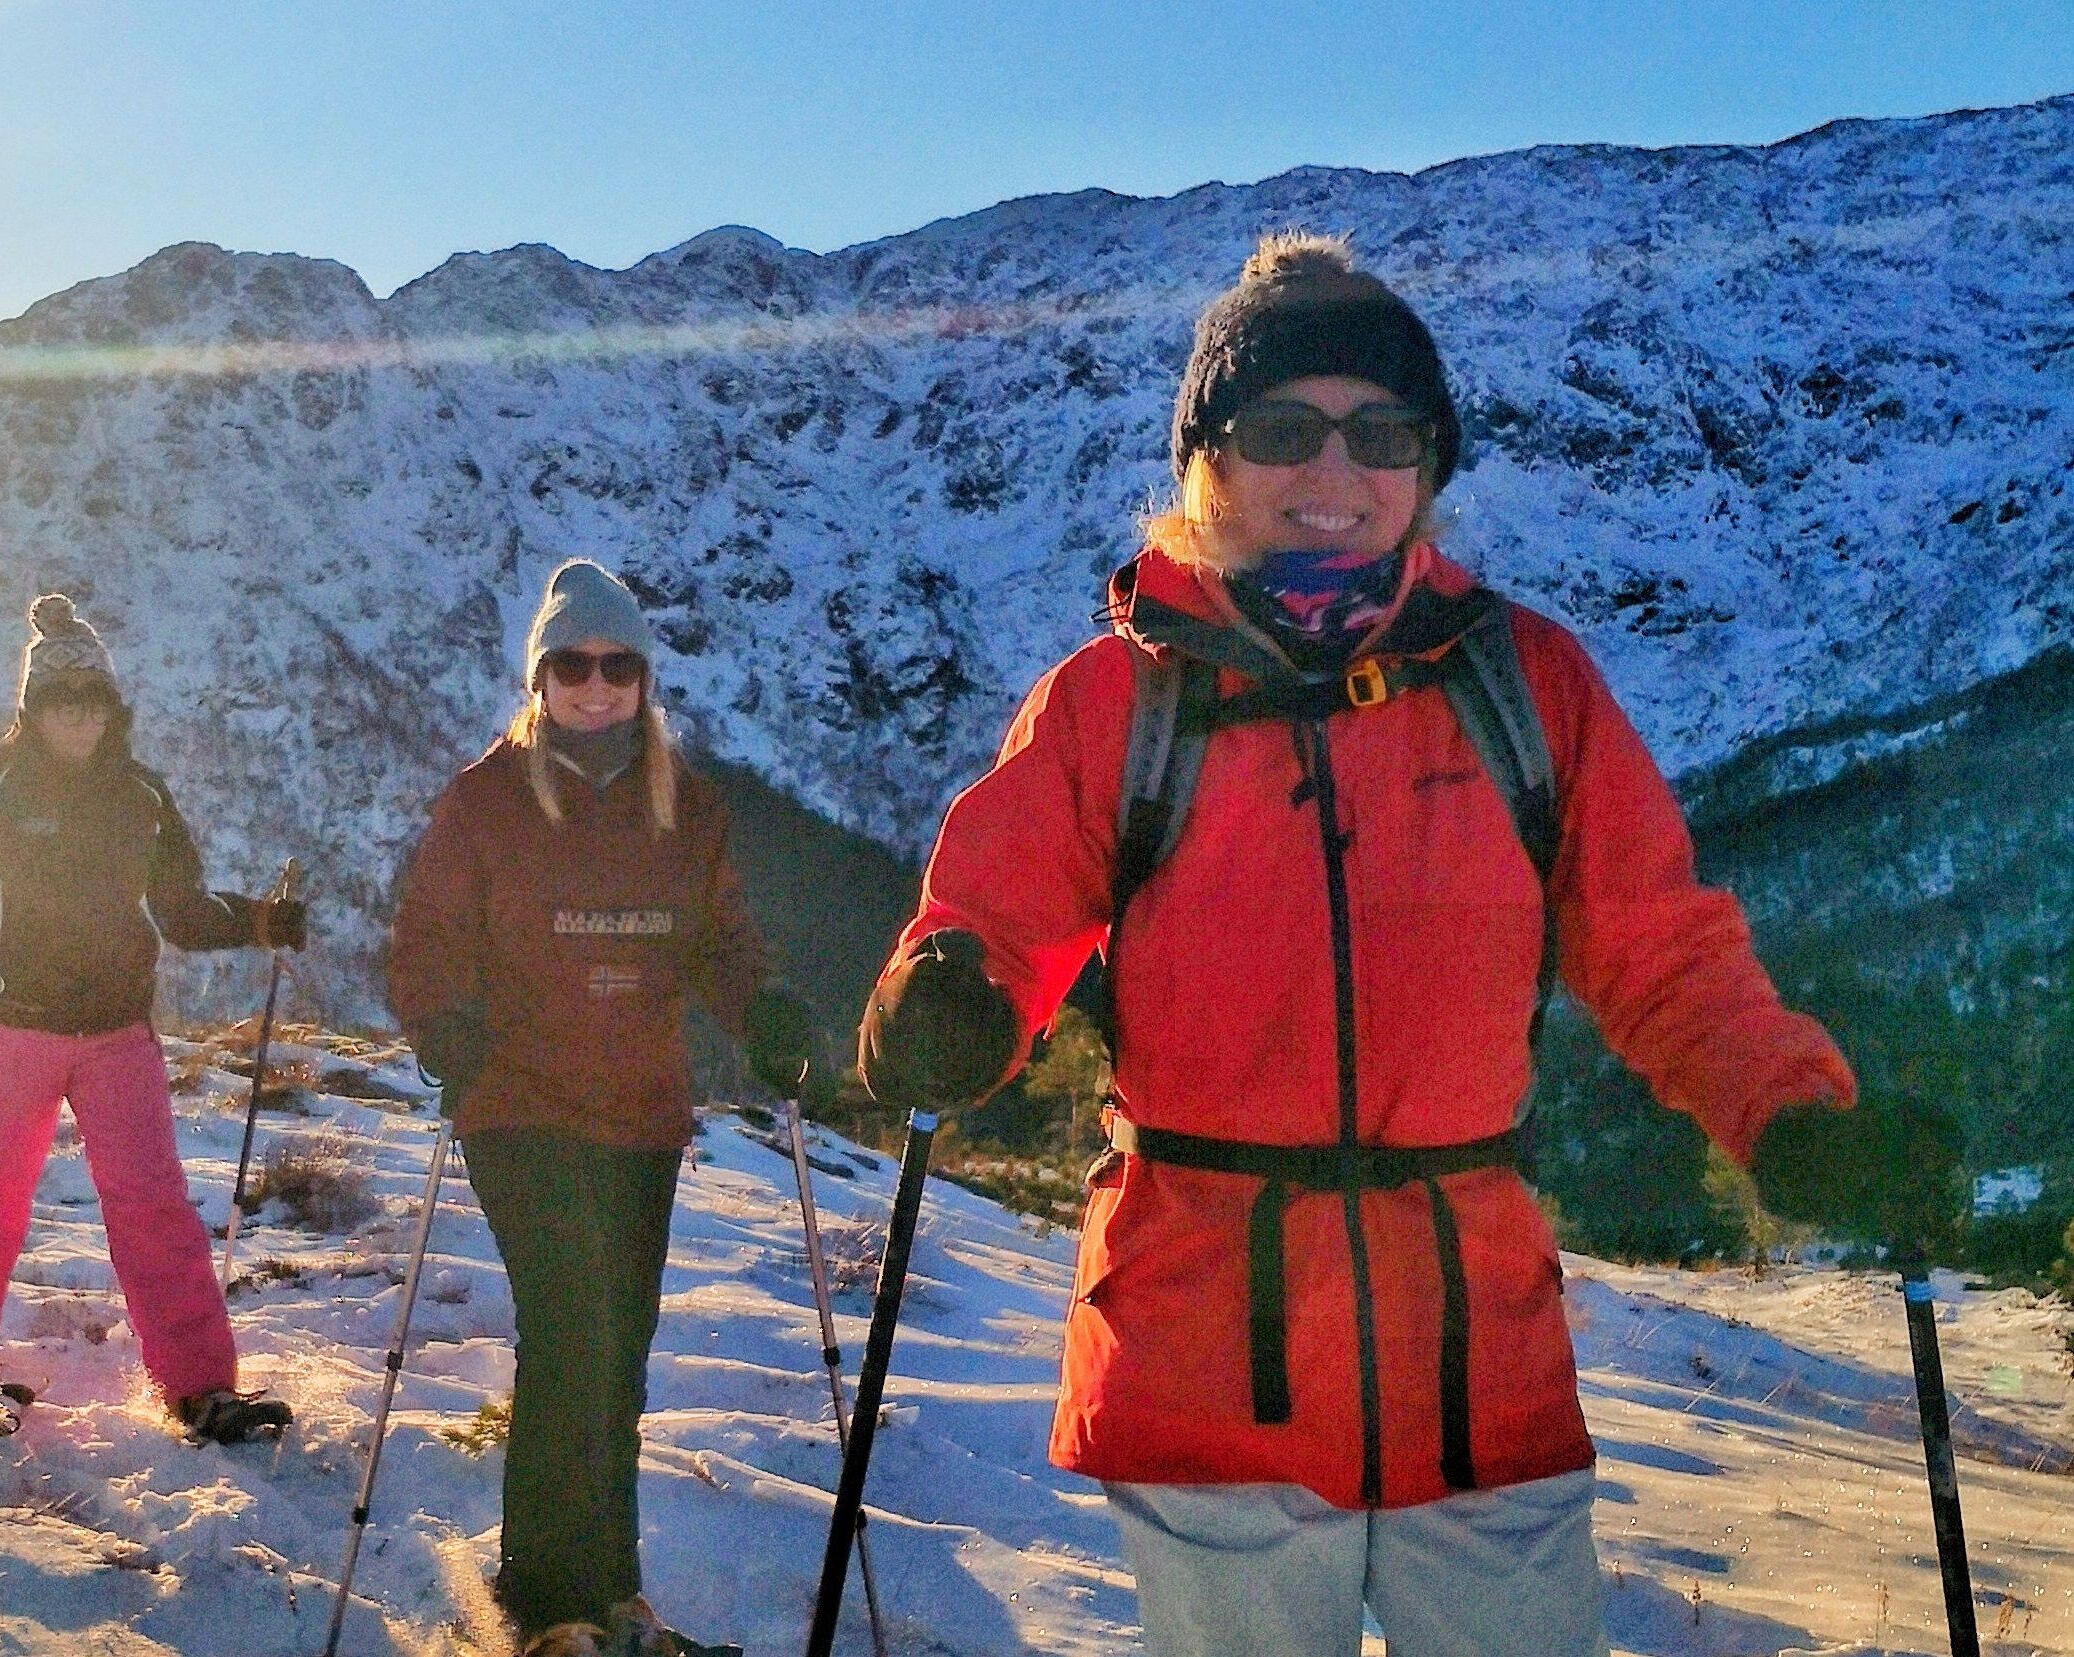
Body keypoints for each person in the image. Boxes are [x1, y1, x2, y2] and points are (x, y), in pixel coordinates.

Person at [854, 234, 1964, 1655]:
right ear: (1207, 459)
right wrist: (946, 1001)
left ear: (1430, 465)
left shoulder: (1525, 684)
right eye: (1281, 430)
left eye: (1381, 434)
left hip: (1473, 1350)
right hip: (1207, 1351)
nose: (1333, 475)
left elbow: (1662, 953)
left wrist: (1793, 1115)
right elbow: (993, 921)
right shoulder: (1111, 705)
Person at [388, 559, 806, 1657]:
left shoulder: (688, 806)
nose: (594, 684)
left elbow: (719, 942)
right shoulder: (486, 799)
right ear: (540, 677)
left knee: (617, 1350)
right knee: (572, 1333)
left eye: (617, 665)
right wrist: (445, 1024)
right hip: (518, 1102)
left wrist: (760, 1007)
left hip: (639, 1112)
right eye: (571, 664)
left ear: (643, 679)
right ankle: (542, 1597)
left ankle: (612, 1593)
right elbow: (426, 937)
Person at [0, 593, 309, 1445]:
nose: (78, 715)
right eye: (60, 699)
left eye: (92, 698)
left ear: (112, 707)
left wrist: (259, 922)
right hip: (12, 1027)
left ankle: (200, 1387)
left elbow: (183, 910)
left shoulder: (140, 797)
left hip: (117, 1033)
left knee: (153, 1202)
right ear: (33, 708)